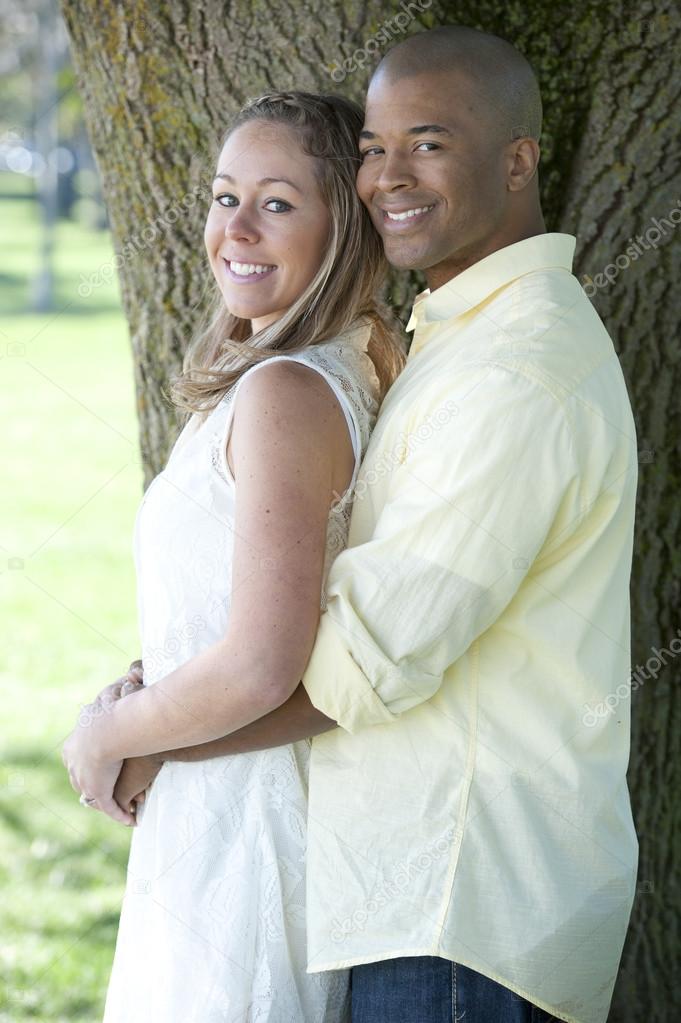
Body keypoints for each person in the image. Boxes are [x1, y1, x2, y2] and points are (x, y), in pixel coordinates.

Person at [67, 24, 640, 1023]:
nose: (391, 175)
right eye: (377, 146)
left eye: (430, 141)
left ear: (518, 160)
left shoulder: (513, 369)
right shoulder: (452, 341)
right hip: (401, 892)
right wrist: (167, 694)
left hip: (462, 907)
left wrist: (140, 733)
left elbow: (358, 660)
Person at [62, 90, 405, 1022]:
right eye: (224, 197)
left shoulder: (290, 392)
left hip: (247, 820)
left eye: (278, 202)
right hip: (210, 799)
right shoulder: (290, 374)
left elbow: (263, 660)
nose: (236, 229)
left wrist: (107, 738)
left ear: (344, 229)